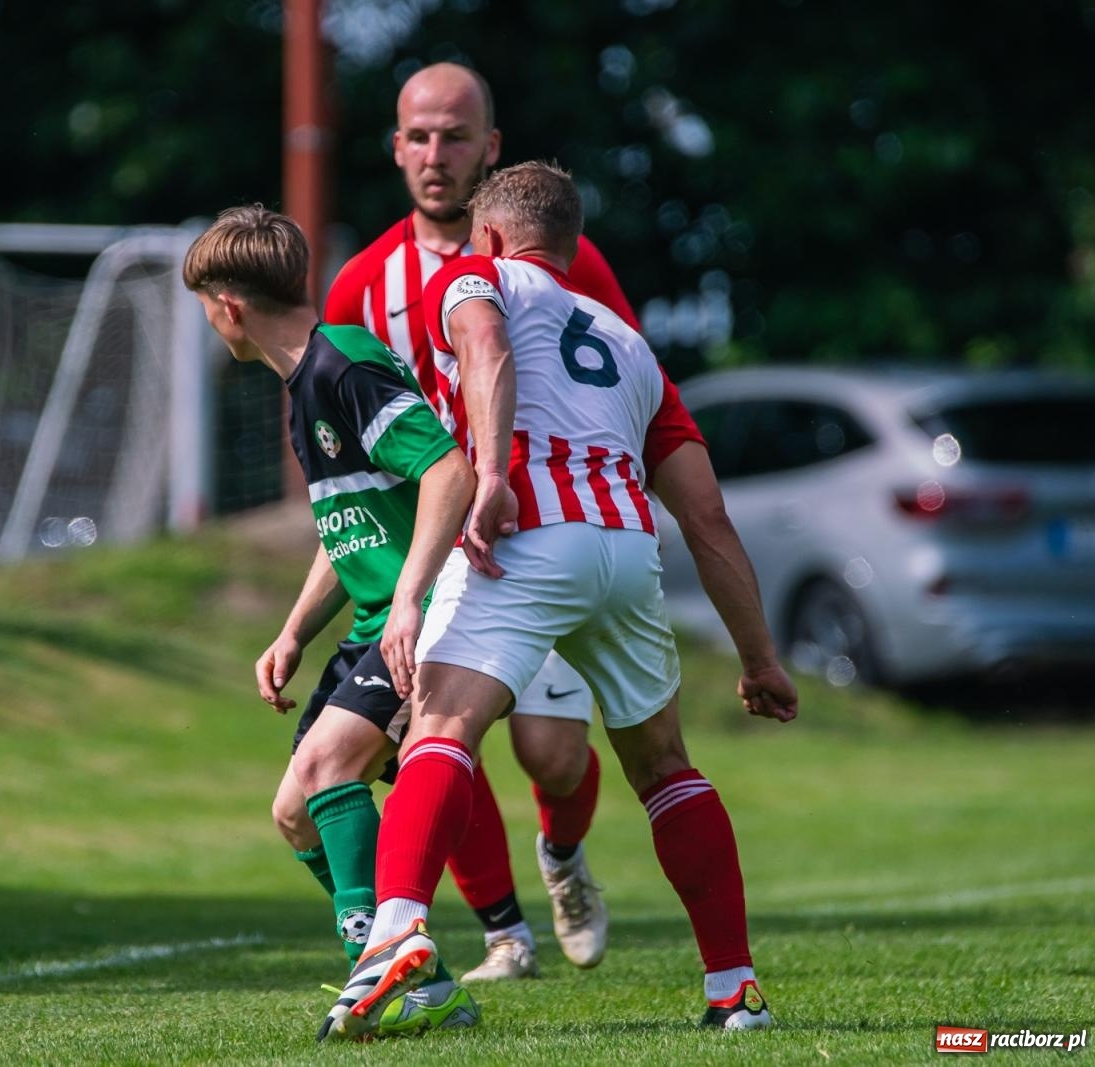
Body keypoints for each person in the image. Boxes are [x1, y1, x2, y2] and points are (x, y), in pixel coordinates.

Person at [319, 162, 798, 1041]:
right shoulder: (628, 343)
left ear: (491, 235)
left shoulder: (474, 275)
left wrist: (495, 474)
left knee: (440, 728)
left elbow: (485, 347)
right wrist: (760, 658)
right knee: (664, 768)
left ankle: (394, 937)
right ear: (573, 247)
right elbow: (707, 517)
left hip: (527, 538)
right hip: (623, 551)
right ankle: (736, 990)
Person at [325, 61, 642, 980]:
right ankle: (506, 933)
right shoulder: (362, 286)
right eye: (419, 136)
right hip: (429, 548)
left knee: (554, 758)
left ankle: (563, 857)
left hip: (541, 529)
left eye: (456, 135)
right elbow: (343, 444)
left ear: (490, 147)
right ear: (395, 147)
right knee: (435, 736)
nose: (436, 153)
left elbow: (630, 380)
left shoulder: (565, 259)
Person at [183, 205, 481, 1036]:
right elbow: (348, 524)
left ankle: (380, 975)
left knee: (324, 769)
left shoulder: (340, 364)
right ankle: (420, 979)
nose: (209, 322)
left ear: (229, 305)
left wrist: (414, 598)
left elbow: (447, 471)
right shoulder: (305, 380)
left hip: (413, 617)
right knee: (292, 807)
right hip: (372, 620)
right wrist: (292, 631)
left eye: (206, 305)